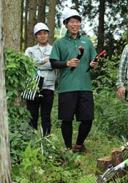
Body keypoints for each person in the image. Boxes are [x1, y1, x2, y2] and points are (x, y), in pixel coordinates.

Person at [50, 9, 97, 152]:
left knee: (88, 119)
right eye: (71, 21)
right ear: (66, 24)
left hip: (85, 86)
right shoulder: (59, 43)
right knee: (67, 119)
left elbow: (93, 61)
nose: (75, 24)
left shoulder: (87, 42)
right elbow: (53, 63)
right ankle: (68, 148)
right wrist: (67, 63)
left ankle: (79, 144)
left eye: (77, 21)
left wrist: (93, 64)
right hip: (66, 87)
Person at [25, 22, 56, 136]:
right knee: (31, 115)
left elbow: (54, 64)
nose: (42, 36)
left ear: (48, 35)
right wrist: (44, 61)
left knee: (46, 116)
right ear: (36, 36)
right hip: (32, 85)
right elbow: (28, 64)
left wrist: (38, 63)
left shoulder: (54, 50)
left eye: (45, 33)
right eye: (39, 34)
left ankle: (46, 140)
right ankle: (30, 141)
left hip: (48, 86)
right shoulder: (30, 50)